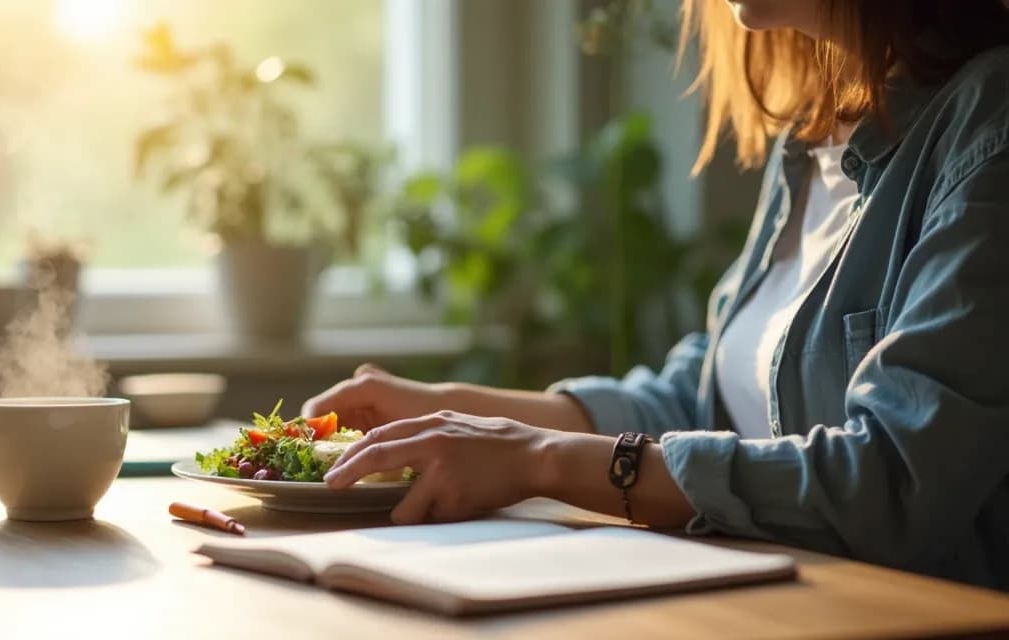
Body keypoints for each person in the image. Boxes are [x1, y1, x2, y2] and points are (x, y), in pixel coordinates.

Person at [307, 0, 1009, 590]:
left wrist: (538, 459)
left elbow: (892, 479)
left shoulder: (988, 124)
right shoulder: (810, 141)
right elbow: (705, 407)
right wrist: (449, 409)